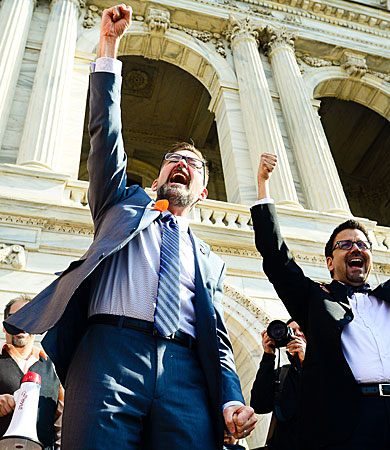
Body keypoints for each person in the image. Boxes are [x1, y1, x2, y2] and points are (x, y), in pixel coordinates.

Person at [4, 5, 256, 449]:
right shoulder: (120, 206)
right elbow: (106, 137)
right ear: (156, 179)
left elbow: (217, 340)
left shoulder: (210, 262)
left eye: (193, 165)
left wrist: (230, 400)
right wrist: (108, 49)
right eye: (172, 161)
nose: (182, 165)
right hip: (108, 355)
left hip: (185, 373)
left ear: (201, 190)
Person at [251, 147, 390, 449]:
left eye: (362, 244)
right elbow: (277, 260)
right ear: (330, 262)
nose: (356, 249)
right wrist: (263, 186)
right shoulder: (316, 301)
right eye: (345, 245)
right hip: (354, 420)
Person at [0, 296, 63, 449]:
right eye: (14, 318)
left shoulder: (54, 368)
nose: (21, 324)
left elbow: (61, 424)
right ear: (4, 326)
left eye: (28, 317)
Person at [250, 320, 305, 450]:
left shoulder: (328, 371)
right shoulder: (282, 375)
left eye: (301, 330)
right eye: (291, 331)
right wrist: (268, 356)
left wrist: (307, 362)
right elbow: (259, 405)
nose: (296, 335)